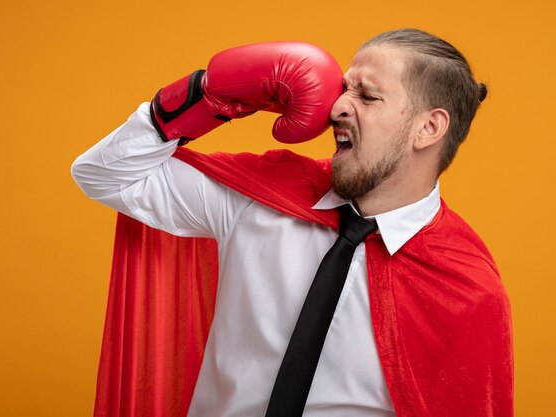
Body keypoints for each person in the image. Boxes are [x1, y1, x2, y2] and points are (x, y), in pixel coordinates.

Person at [73, 29, 513, 417]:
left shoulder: (467, 286)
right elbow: (104, 174)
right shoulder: (259, 198)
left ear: (428, 128)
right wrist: (205, 97)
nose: (337, 106)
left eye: (367, 95)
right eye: (344, 88)